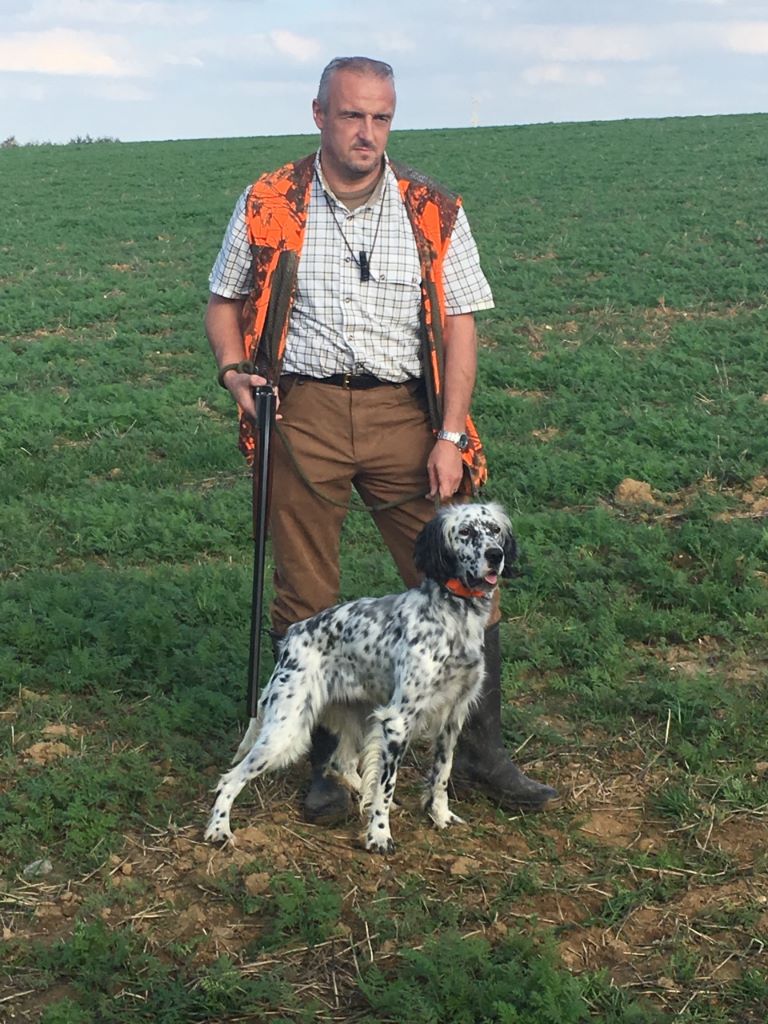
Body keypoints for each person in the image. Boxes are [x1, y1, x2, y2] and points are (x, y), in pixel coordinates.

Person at [204, 56, 557, 824]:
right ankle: (334, 766)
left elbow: (460, 326)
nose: (368, 132)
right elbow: (223, 299)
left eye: (382, 117)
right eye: (352, 115)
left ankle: (485, 757)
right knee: (305, 593)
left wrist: (451, 434)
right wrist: (237, 375)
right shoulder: (269, 200)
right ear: (320, 115)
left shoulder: (432, 207)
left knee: (466, 579)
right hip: (304, 414)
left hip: (408, 411)